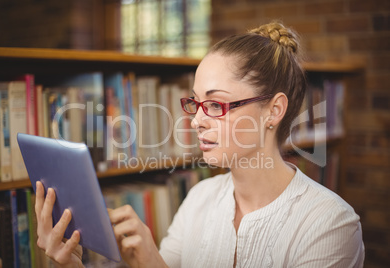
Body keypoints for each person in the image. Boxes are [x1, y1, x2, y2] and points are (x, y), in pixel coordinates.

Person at [35, 21, 365, 267]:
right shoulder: (199, 199)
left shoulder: (330, 225)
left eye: (216, 105)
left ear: (273, 110)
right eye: (195, 103)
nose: (196, 120)